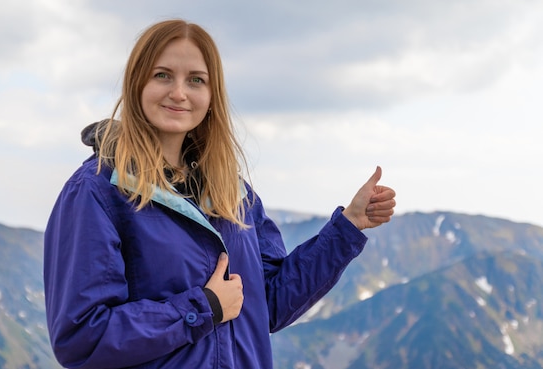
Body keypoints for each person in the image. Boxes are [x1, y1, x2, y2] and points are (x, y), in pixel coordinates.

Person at [43, 19, 396, 369]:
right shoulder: (97, 191)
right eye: (162, 75)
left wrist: (348, 225)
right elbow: (81, 338)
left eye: (195, 80)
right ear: (137, 84)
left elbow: (267, 303)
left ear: (212, 96)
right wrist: (204, 307)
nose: (179, 92)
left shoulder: (232, 192)